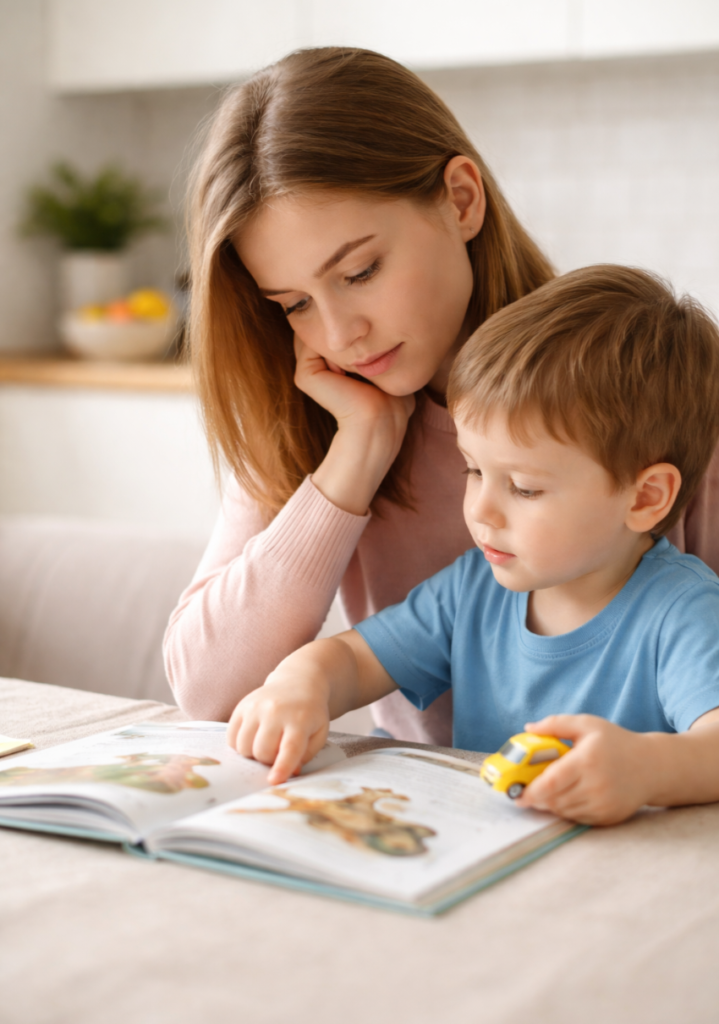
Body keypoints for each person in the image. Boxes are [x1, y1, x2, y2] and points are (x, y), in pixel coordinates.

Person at [164, 47, 719, 743]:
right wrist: (356, 456)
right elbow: (208, 690)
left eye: (360, 271)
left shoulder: (635, 383)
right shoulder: (315, 411)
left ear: (460, 200)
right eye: (293, 303)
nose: (341, 334)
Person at [226, 266, 719, 827]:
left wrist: (647, 769)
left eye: (524, 487)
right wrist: (301, 684)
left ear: (645, 497)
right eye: (474, 470)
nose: (481, 510)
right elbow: (355, 659)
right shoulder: (472, 590)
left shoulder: (685, 611)